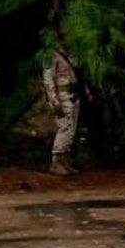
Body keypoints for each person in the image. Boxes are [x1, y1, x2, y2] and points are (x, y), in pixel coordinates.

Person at [42, 44, 81, 175]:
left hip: (73, 95)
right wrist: (54, 101)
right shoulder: (50, 54)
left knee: (71, 129)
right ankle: (56, 162)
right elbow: (48, 80)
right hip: (62, 96)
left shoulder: (70, 53)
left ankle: (64, 161)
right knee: (64, 127)